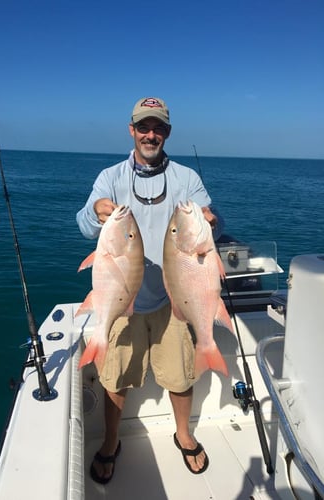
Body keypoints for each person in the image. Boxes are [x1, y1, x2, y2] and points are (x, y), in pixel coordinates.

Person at [76, 97, 224, 484]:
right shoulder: (109, 178)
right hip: (123, 300)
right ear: (132, 130)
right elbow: (83, 225)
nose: (150, 134)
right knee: (115, 377)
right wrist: (96, 213)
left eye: (158, 127)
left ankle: (184, 433)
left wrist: (212, 220)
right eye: (143, 127)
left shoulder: (186, 179)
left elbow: (212, 227)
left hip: (173, 298)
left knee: (180, 375)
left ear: (167, 133)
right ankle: (111, 442)